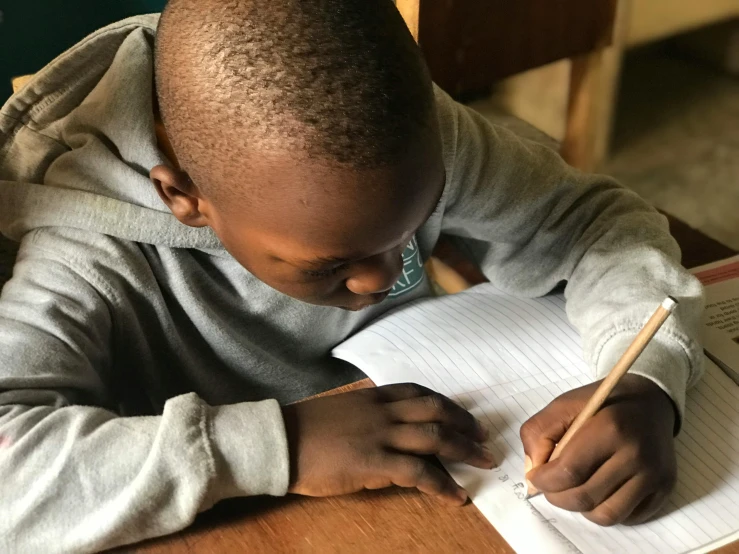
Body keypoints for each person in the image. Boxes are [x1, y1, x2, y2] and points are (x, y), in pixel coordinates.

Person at [0, 1, 703, 552]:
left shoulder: (404, 137)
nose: (384, 275)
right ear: (185, 197)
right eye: (331, 263)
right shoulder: (82, 249)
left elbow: (591, 222)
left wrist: (643, 374)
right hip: (233, 514)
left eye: (412, 226)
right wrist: (280, 446)